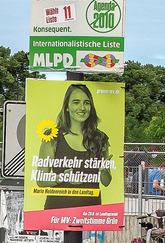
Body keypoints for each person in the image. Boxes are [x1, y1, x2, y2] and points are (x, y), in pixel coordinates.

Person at [39, 83, 112, 211]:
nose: (82, 108)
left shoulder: (100, 138)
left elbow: (106, 182)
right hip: (57, 211)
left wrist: (105, 172)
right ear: (67, 106)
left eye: (86, 103)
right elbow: (40, 180)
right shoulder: (52, 137)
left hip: (91, 212)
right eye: (76, 102)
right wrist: (62, 178)